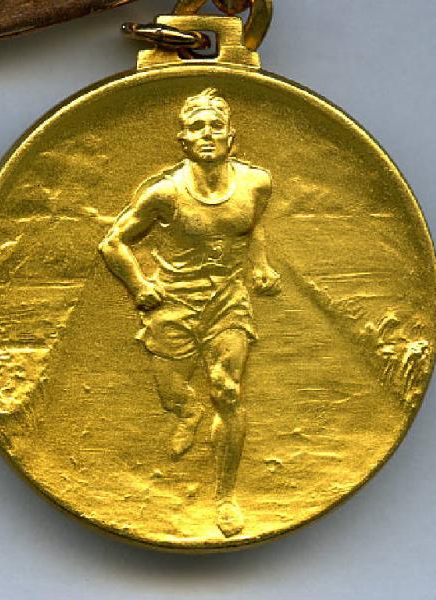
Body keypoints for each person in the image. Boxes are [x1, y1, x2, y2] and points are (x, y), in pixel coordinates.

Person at [99, 88, 280, 537]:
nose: (207, 134)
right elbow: (113, 243)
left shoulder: (257, 183)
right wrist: (139, 286)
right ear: (183, 141)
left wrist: (260, 265)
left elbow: (253, 226)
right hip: (173, 303)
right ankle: (187, 413)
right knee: (172, 392)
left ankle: (225, 497)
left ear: (231, 137)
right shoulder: (163, 194)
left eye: (216, 126)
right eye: (197, 127)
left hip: (227, 301)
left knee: (228, 391)